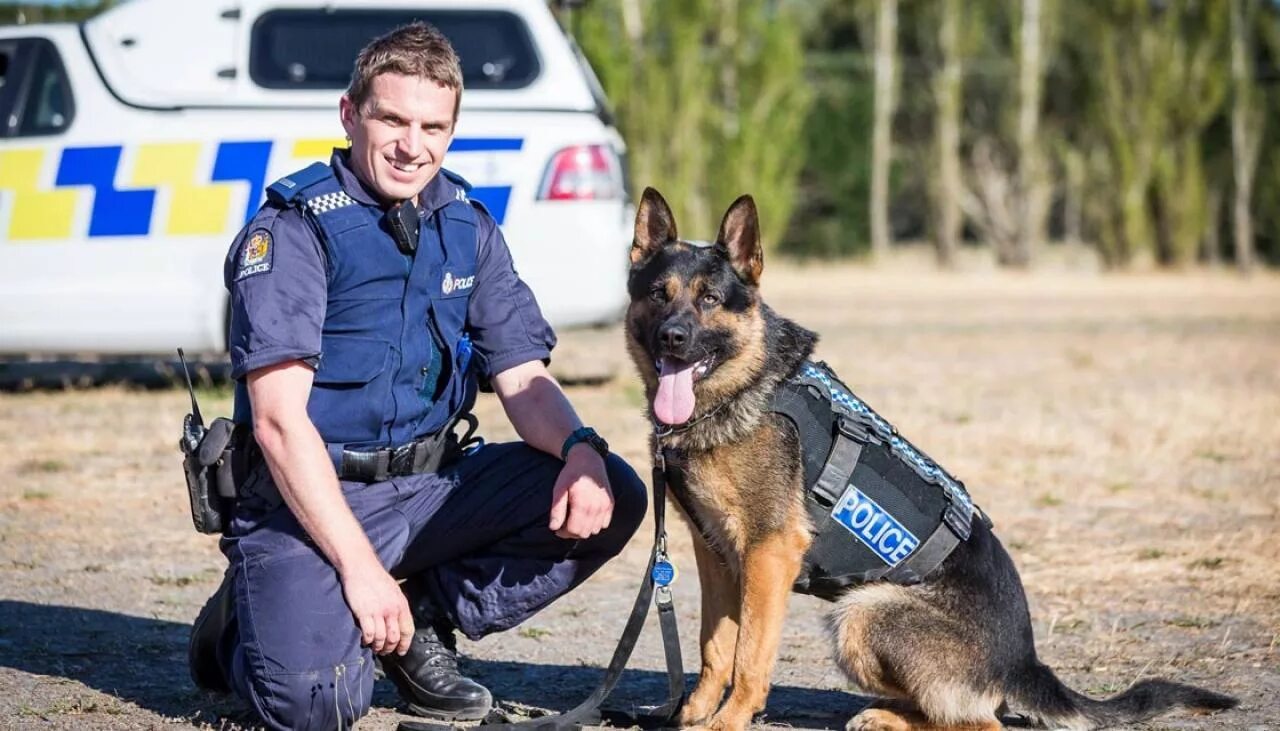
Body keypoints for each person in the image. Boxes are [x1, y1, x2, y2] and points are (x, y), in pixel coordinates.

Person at [186, 22, 647, 731]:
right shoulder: (293, 231)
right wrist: (360, 569)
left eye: (434, 126)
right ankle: (242, 624)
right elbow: (278, 422)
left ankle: (424, 617)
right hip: (308, 498)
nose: (413, 145)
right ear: (350, 115)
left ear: (453, 129)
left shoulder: (464, 223)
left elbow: (522, 377)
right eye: (393, 119)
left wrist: (580, 447)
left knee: (608, 488)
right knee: (317, 706)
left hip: (429, 490)